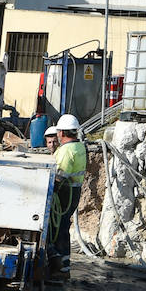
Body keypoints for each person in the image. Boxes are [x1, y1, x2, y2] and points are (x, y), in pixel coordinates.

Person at [49, 113, 87, 281]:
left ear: (62, 133)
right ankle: (63, 266)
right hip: (74, 192)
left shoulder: (66, 150)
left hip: (65, 193)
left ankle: (59, 266)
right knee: (63, 227)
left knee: (56, 228)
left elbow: (59, 177)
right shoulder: (80, 147)